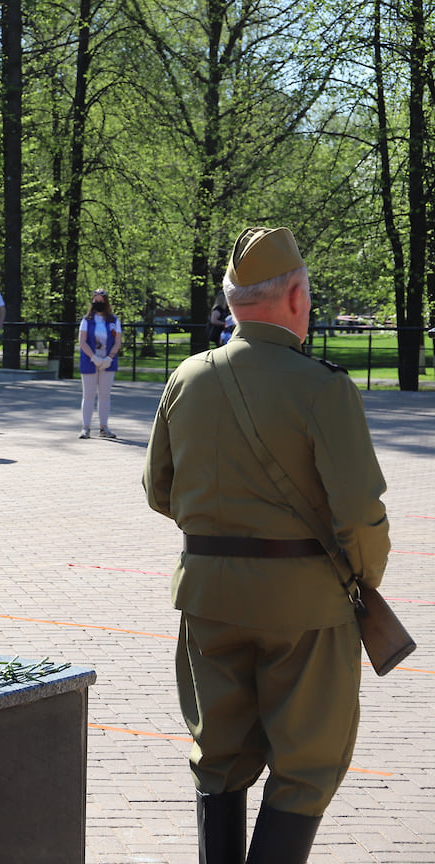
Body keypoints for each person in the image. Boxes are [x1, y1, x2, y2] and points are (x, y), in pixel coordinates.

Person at [143, 226, 390, 864]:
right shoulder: (324, 386)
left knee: (218, 758)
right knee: (307, 767)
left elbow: (158, 490)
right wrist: (363, 578)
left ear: (231, 301)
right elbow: (360, 518)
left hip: (207, 599)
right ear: (296, 297)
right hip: (304, 609)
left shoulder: (187, 377)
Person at [77, 288, 121, 439]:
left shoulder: (114, 320)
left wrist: (109, 357)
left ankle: (104, 427)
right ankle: (86, 427)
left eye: (101, 301)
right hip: (90, 361)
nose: (98, 303)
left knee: (105, 395)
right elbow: (82, 341)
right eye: (96, 300)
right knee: (88, 395)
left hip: (108, 363)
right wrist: (94, 357)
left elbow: (117, 341)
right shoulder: (86, 320)